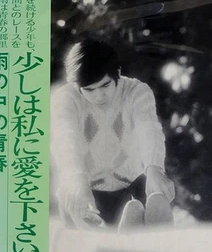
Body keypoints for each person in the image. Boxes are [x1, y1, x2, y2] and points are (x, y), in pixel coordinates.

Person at [51, 38, 175, 232]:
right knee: (70, 190)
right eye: (89, 90)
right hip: (87, 192)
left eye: (105, 86)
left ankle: (142, 229)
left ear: (117, 73)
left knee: (143, 196)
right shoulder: (66, 98)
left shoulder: (136, 92)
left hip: (131, 188)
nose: (98, 95)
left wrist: (154, 167)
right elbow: (65, 138)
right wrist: (76, 177)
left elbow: (148, 129)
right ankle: (101, 233)